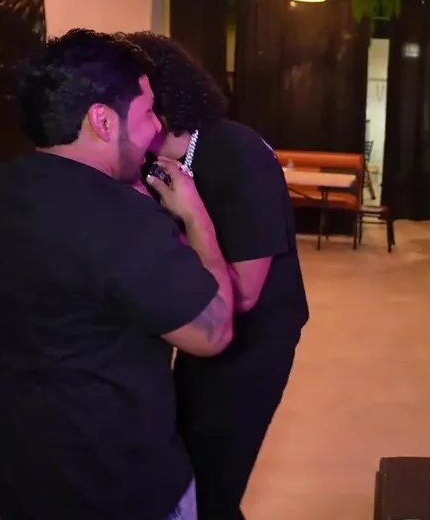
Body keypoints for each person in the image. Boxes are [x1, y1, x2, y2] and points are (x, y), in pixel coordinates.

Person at [0, 28, 236, 520]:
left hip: (26, 476)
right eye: (148, 111)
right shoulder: (121, 219)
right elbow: (213, 332)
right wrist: (197, 218)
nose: (157, 126)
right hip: (120, 488)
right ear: (104, 121)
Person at [122, 31, 309, 520]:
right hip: (197, 327)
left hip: (254, 339)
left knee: (213, 481)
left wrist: (188, 218)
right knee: (183, 469)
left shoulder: (237, 155)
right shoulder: (152, 162)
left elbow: (243, 296)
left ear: (159, 104)